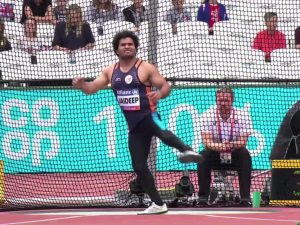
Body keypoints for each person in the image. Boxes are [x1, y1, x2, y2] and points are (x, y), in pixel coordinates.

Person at [72, 30, 203, 215]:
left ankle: (187, 149)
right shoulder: (111, 71)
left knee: (163, 133)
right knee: (139, 166)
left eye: (131, 44)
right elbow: (93, 87)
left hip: (149, 115)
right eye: (123, 44)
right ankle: (158, 204)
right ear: (116, 49)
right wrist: (82, 85)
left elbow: (165, 86)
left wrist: (159, 94)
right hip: (134, 127)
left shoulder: (146, 68)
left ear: (135, 47)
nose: (127, 47)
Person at [197, 87, 252, 206]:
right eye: (220, 100)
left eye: (226, 100)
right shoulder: (207, 115)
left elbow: (242, 142)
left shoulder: (243, 115)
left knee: (245, 154)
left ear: (232, 100)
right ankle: (202, 198)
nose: (222, 103)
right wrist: (220, 146)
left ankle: (246, 198)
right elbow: (207, 142)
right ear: (216, 100)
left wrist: (231, 145)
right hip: (215, 153)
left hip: (235, 153)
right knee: (202, 156)